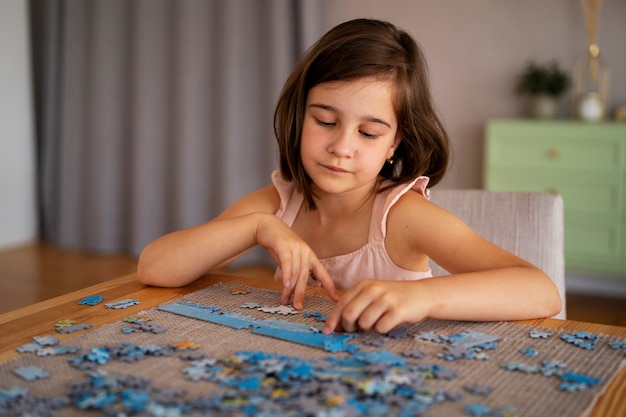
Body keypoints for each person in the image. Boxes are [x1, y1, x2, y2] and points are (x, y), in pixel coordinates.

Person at [138, 18, 562, 335]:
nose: (342, 146)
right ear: (299, 116)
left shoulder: (402, 217)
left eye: (369, 132)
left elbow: (540, 290)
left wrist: (419, 297)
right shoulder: (278, 204)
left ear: (395, 142)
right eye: (325, 121)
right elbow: (155, 267)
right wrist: (257, 227)